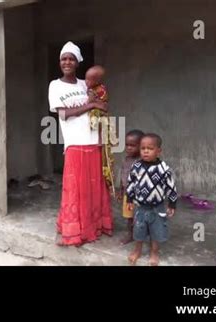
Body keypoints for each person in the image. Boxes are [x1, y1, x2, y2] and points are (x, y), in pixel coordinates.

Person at [47, 41, 113, 246]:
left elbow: (102, 104)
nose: (67, 62)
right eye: (63, 58)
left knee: (93, 188)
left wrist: (98, 106)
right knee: (75, 189)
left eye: (71, 59)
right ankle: (75, 231)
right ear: (60, 62)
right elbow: (64, 114)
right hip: (74, 143)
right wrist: (91, 104)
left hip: (93, 141)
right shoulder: (55, 85)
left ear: (77, 63)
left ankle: (94, 226)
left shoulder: (86, 84)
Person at [126, 133, 178, 266]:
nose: (146, 151)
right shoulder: (136, 166)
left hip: (157, 207)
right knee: (138, 230)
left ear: (158, 151)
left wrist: (172, 203)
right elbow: (131, 183)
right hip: (141, 206)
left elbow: (171, 187)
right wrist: (129, 200)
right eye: (143, 148)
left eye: (150, 148)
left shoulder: (163, 169)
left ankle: (154, 252)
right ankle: (137, 250)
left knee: (156, 230)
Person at [85, 65, 118, 197]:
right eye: (86, 79)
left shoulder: (96, 90)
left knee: (97, 121)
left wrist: (89, 101)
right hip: (102, 114)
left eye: (89, 80)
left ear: (97, 80)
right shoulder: (97, 88)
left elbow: (89, 103)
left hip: (100, 114)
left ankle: (99, 138)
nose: (86, 82)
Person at [118, 129, 144, 245]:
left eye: (132, 145)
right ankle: (130, 234)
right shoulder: (126, 160)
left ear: (140, 146)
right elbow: (122, 175)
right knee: (129, 217)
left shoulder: (143, 162)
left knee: (140, 217)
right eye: (127, 145)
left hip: (138, 196)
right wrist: (121, 190)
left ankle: (141, 235)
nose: (128, 148)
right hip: (127, 195)